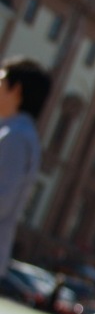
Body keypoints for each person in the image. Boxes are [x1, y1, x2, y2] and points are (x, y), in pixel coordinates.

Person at [0, 56, 51, 277]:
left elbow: (3, 199)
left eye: (1, 82)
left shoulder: (16, 137)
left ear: (16, 90)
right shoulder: (17, 134)